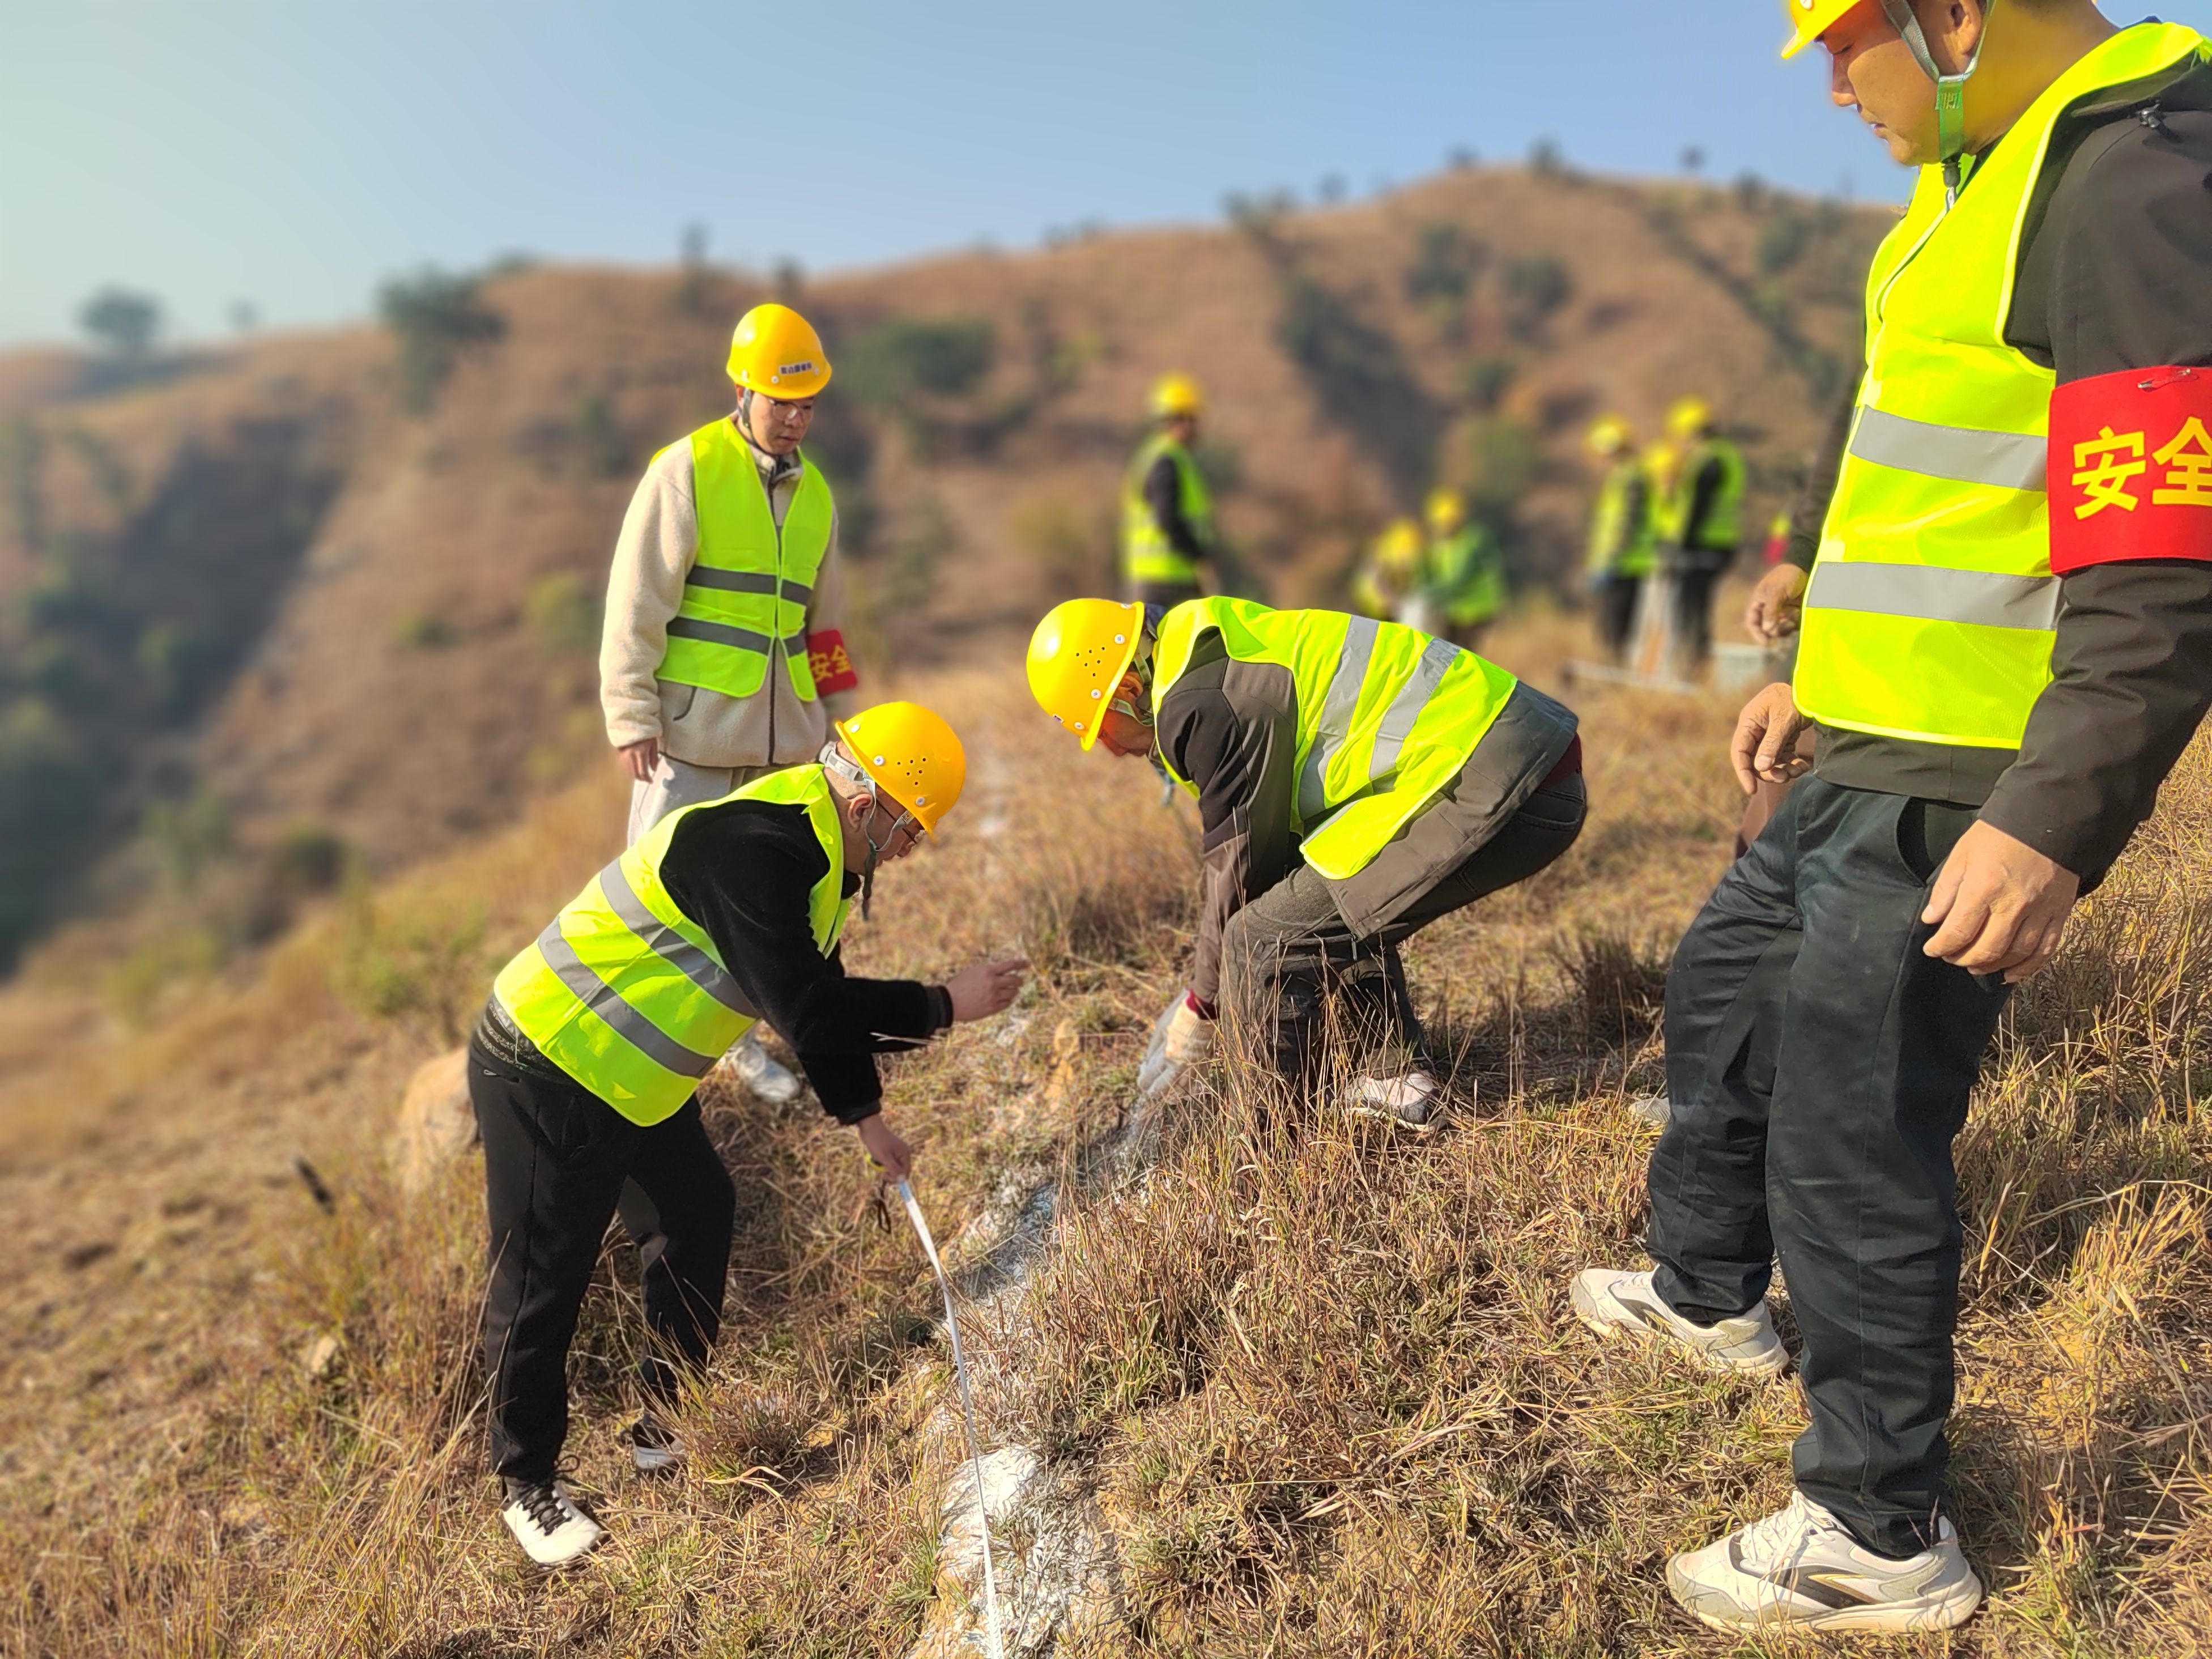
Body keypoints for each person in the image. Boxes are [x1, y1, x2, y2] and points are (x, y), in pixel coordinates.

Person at [1574, 1, 2212, 1633]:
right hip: (1866, 739)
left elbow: (2164, 552)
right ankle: (1712, 1295)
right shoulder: (1975, 180)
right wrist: (1817, 674)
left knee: (1859, 1140)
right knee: (1724, 984)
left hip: (1958, 782)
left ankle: (1875, 1523)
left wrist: (2054, 816)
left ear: (1950, 15)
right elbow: (1930, 466)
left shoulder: (2124, 177)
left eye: (1842, 47)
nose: (1834, 92)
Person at [467, 701, 1027, 1566]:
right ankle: (526, 1484)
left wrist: (864, 1117)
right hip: (550, 1061)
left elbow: (815, 981)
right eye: (913, 829)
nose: (913, 851)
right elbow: (805, 1011)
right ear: (870, 803)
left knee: (697, 1213)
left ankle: (666, 1423)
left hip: (632, 1082)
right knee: (545, 1277)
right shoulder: (753, 848)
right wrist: (944, 1004)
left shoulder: (818, 852)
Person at [1025, 597, 1585, 1125]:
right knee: (1312, 892)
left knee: (1260, 941)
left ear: (1126, 689)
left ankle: (1268, 1149)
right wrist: (1202, 986)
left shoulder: (1201, 701)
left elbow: (1242, 870)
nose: (1111, 751)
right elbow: (1271, 859)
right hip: (1507, 756)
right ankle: (1393, 1079)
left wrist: (1201, 1001)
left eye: (1099, 730)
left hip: (1504, 782)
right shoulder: (1200, 642)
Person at [599, 303, 863, 1106]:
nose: (794, 419)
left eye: (808, 404)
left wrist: (846, 725)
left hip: (785, 751)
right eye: (781, 401)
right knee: (659, 899)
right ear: (742, 388)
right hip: (686, 739)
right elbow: (635, 601)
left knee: (775, 905)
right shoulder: (685, 470)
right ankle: (662, 1056)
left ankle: (759, 1030)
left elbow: (828, 627)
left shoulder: (817, 496)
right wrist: (631, 714)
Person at [1650, 395, 1746, 676]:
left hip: (1703, 545)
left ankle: (1691, 666)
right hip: (1718, 542)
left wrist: (1680, 545)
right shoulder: (1724, 453)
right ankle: (1693, 664)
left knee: (1690, 609)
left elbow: (1697, 508)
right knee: (1695, 606)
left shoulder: (1710, 458)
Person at [1121, 373, 1218, 607]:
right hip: (1166, 582)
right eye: (1193, 419)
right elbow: (1168, 518)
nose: (1197, 428)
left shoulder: (1162, 457)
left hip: (1161, 579)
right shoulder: (1167, 460)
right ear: (1181, 419)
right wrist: (1199, 557)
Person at [1583, 416, 1654, 662]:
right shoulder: (1623, 473)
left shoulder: (1631, 475)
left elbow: (1626, 523)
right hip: (1619, 561)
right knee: (1610, 626)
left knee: (1616, 627)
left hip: (1626, 563)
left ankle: (1616, 672)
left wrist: (1611, 558)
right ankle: (1614, 670)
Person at [1418, 487, 1505, 650]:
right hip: (1455, 614)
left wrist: (1428, 594)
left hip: (1480, 612)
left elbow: (1459, 580)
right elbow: (1426, 575)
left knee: (1469, 659)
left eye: (1448, 522)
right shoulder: (1437, 546)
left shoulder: (1474, 539)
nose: (1444, 527)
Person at [1350, 517, 1423, 622]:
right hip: (1374, 610)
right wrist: (1387, 605)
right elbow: (1370, 586)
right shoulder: (1381, 558)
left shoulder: (1386, 554)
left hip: (1386, 608)